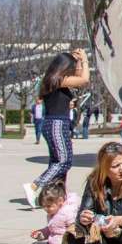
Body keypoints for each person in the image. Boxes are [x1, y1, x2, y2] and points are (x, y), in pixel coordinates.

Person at [23, 49, 88, 208]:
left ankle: (56, 197)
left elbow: (79, 78)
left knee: (57, 163)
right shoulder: (58, 79)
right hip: (57, 123)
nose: (73, 71)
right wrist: (85, 60)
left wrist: (78, 60)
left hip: (56, 123)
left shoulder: (53, 79)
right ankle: (34, 186)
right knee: (64, 161)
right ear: (64, 67)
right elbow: (83, 80)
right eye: (71, 68)